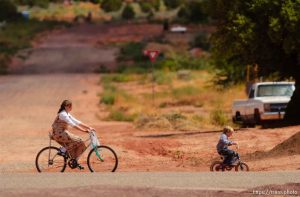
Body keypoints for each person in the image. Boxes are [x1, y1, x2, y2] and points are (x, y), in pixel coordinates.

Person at [51, 100, 93, 170]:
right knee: (79, 141)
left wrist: (89, 127)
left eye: (71, 106)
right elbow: (72, 124)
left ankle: (74, 161)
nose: (71, 107)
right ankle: (63, 150)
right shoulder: (63, 114)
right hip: (59, 133)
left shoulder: (67, 114)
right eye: (69, 106)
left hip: (63, 133)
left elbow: (77, 122)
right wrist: (84, 130)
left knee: (81, 143)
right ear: (65, 107)